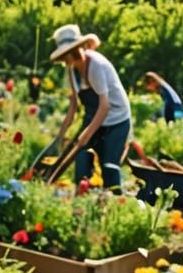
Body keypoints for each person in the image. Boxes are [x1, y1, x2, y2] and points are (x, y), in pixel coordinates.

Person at [50, 24, 131, 189]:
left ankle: (115, 204)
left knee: (109, 167)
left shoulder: (96, 65)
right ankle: (82, 206)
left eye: (67, 54)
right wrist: (61, 134)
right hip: (94, 117)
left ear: (75, 49)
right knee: (81, 164)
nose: (66, 60)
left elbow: (105, 106)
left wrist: (87, 133)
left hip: (116, 119)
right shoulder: (72, 71)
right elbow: (74, 105)